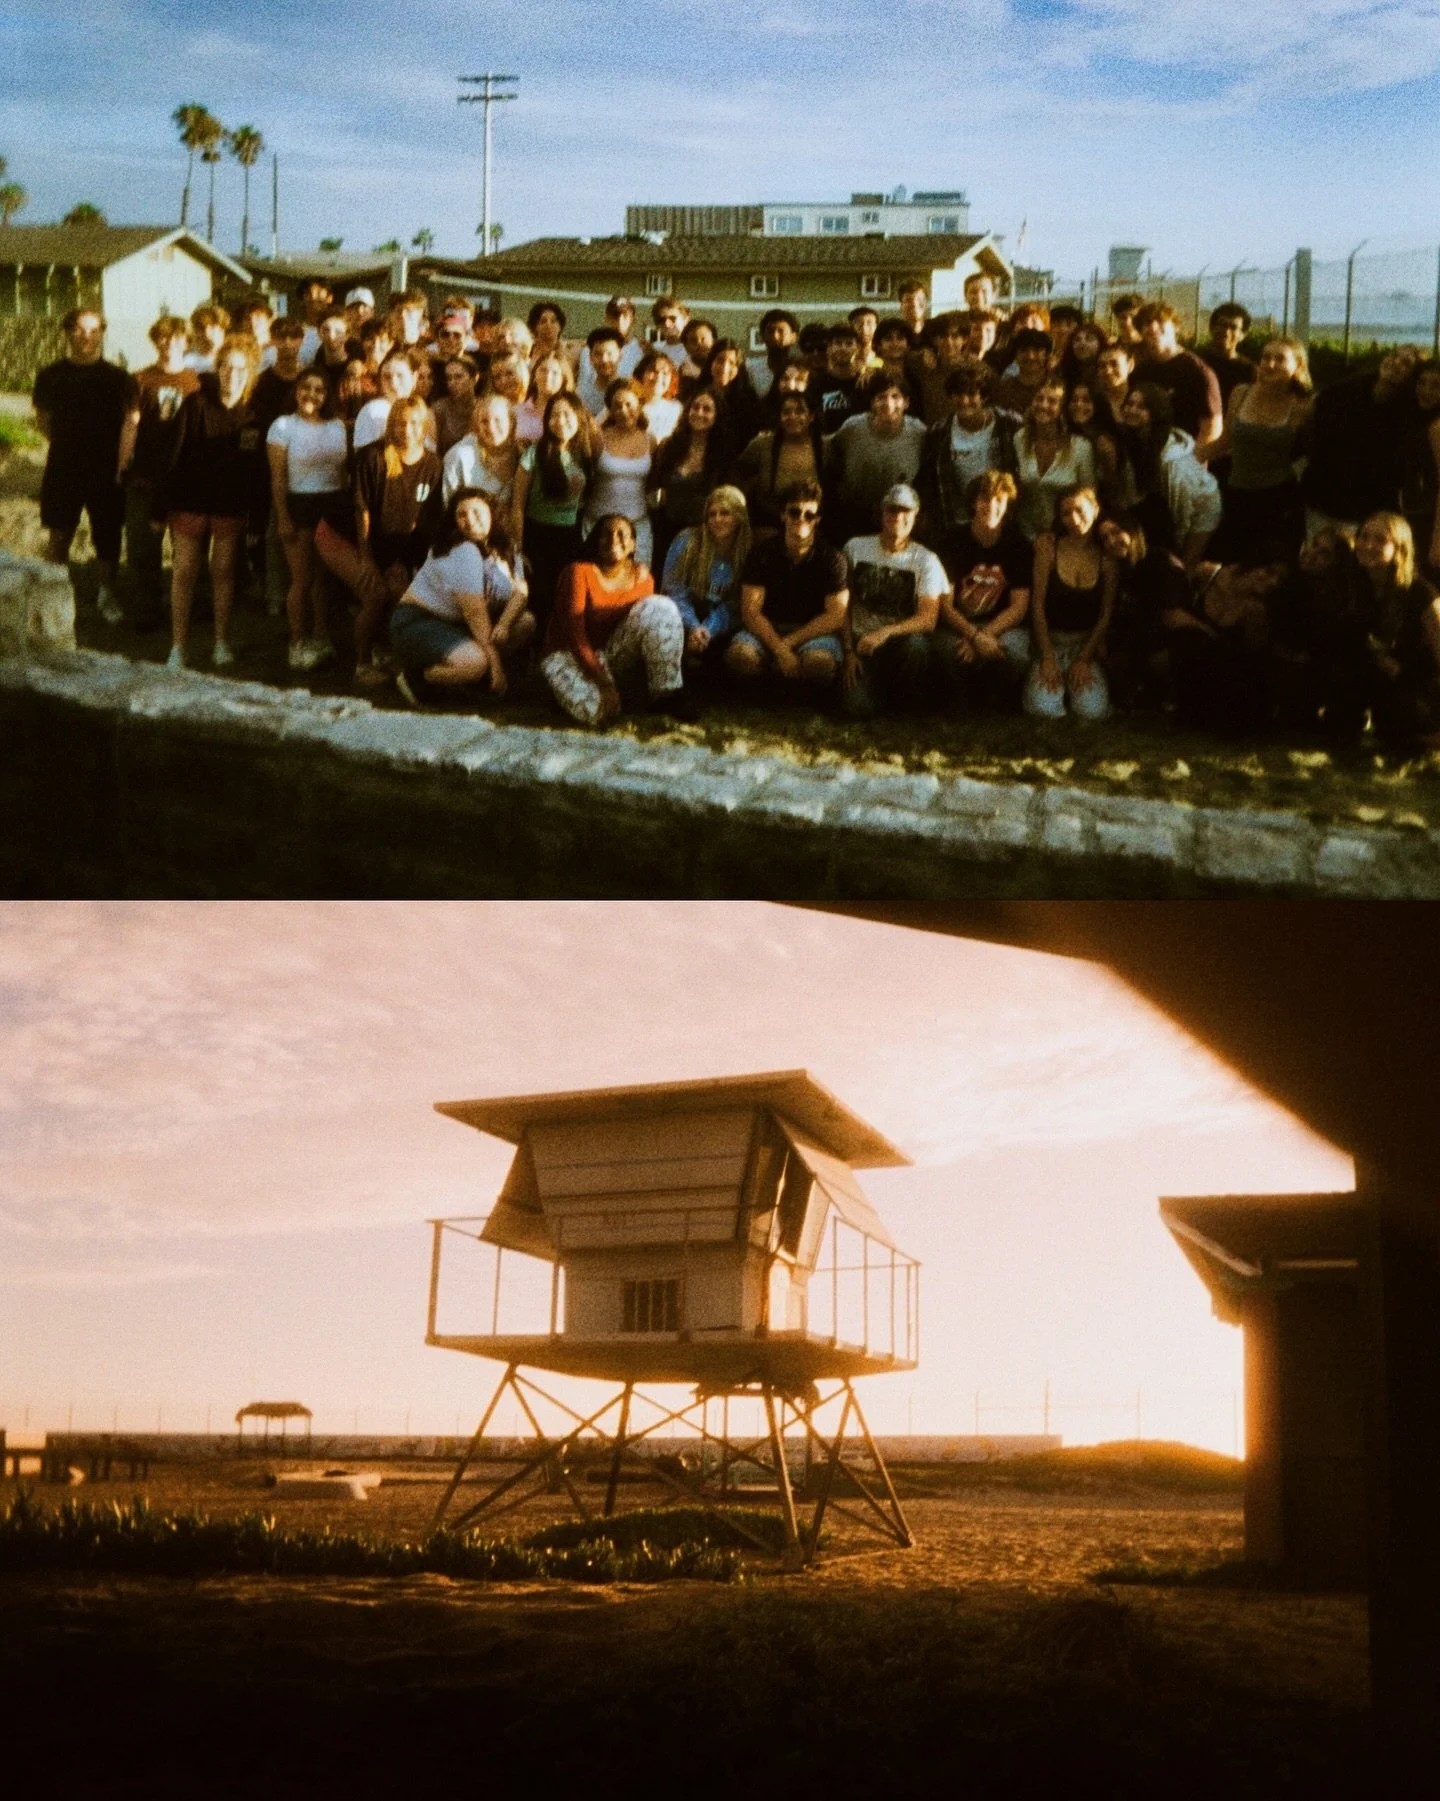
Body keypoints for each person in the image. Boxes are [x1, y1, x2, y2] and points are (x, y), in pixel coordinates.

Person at [324, 393, 443, 688]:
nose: (408, 430)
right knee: (374, 592)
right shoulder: (373, 457)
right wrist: (367, 560)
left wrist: (400, 563)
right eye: (401, 423)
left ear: (425, 425)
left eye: (415, 423)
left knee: (400, 592)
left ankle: (383, 651)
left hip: (388, 544)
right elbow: (361, 513)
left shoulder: (433, 465)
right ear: (392, 425)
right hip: (342, 535)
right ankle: (361, 665)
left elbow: (419, 524)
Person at [161, 335, 266, 670]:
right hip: (190, 502)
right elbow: (173, 457)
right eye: (225, 367)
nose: (231, 374)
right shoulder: (195, 404)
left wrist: (256, 519)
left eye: (239, 369)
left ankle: (221, 642)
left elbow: (257, 474)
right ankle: (178, 646)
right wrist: (160, 508)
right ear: (217, 368)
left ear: (249, 372)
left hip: (229, 507)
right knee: (185, 571)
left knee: (223, 573)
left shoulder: (253, 416)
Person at [32, 305, 135, 627]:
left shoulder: (118, 379)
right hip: (64, 467)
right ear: (67, 332)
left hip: (107, 470)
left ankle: (106, 594)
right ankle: (55, 599)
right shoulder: (50, 376)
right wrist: (69, 446)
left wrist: (119, 464)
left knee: (107, 536)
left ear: (102, 333)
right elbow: (43, 422)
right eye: (79, 329)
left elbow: (129, 425)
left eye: (93, 330)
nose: (86, 337)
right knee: (59, 534)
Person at [541, 514, 691, 725]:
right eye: (606, 534)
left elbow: (647, 628)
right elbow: (574, 634)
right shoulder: (578, 572)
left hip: (609, 654)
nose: (613, 540)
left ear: (632, 545)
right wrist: (602, 681)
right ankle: (562, 693)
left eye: (622, 535)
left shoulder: (642, 578)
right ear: (595, 540)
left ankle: (666, 693)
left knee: (661, 607)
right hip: (567, 654)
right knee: (600, 713)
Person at [391, 487, 532, 707]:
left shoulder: (505, 547)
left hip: (455, 623)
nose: (469, 519)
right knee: (477, 663)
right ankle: (417, 678)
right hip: (417, 622)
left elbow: (520, 592)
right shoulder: (461, 550)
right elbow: (474, 612)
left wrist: (504, 624)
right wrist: (495, 665)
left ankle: (472, 678)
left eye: (477, 511)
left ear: (492, 513)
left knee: (525, 622)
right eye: (461, 514)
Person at [1312, 512, 1440, 745]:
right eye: (1364, 537)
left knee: (1402, 733)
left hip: (1416, 683)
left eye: (1380, 540)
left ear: (1399, 548)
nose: (1368, 545)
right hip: (1374, 676)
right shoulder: (1354, 585)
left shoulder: (1421, 593)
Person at [725, 479, 849, 695]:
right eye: (794, 512)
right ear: (783, 515)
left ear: (817, 520)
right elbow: (750, 612)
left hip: (812, 634)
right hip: (767, 628)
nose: (801, 519)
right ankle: (772, 687)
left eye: (809, 515)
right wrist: (779, 648)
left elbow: (835, 615)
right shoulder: (762, 553)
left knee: (819, 665)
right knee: (740, 657)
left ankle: (788, 689)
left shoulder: (832, 559)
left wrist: (788, 644)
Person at [116, 314, 197, 631]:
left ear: (186, 342)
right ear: (155, 341)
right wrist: (122, 463)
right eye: (163, 338)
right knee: (142, 547)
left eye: (176, 338)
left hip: (183, 478)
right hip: (145, 476)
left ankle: (183, 607)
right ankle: (148, 609)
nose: (169, 344)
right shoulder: (139, 379)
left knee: (185, 550)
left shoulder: (196, 381)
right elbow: (130, 423)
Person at [266, 367, 350, 673]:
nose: (311, 395)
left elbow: (342, 475)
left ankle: (320, 637)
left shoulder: (337, 425)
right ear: (296, 390)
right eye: (306, 388)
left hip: (331, 506)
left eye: (319, 390)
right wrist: (283, 518)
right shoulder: (282, 426)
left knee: (323, 580)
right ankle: (297, 643)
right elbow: (277, 478)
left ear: (327, 395)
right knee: (301, 579)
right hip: (298, 504)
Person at [841, 484, 947, 716]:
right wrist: (848, 651)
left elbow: (928, 619)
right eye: (891, 510)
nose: (897, 516)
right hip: (860, 644)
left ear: (915, 516)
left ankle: (904, 705)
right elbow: (843, 607)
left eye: (905, 511)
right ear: (881, 512)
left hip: (898, 645)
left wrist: (885, 632)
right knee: (856, 709)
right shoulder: (855, 548)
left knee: (917, 646)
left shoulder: (927, 560)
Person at [1207, 338, 1313, 562]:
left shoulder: (1303, 406)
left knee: (1271, 567)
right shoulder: (1241, 392)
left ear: (1298, 366)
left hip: (1278, 500)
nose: (1270, 364)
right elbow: (1225, 440)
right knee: (1232, 563)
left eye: (1280, 359)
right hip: (1235, 494)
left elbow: (1311, 453)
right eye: (1266, 357)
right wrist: (1190, 461)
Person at [933, 470, 1032, 708]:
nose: (991, 506)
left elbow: (1019, 607)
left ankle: (994, 701)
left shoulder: (1018, 544)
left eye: (999, 500)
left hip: (1000, 626)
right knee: (946, 651)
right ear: (973, 503)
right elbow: (944, 606)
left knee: (1016, 652)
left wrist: (986, 635)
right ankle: (959, 702)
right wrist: (973, 636)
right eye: (984, 499)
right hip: (957, 625)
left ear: (1007, 505)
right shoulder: (952, 541)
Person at [1302, 344, 1421, 538]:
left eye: (1406, 363)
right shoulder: (1344, 392)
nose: (1396, 363)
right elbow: (1312, 429)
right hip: (1323, 501)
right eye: (1394, 355)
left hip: (1370, 513)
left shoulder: (1408, 415)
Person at [1024, 484, 1116, 720]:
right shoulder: (1048, 550)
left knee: (1092, 712)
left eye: (1080, 511)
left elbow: (1106, 613)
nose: (1074, 520)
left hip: (1084, 644)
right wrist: (1046, 657)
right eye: (1066, 513)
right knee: (1044, 709)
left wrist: (1085, 659)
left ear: (1095, 510)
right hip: (1050, 641)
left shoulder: (1106, 557)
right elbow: (1037, 606)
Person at [514, 391, 593, 640]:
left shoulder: (584, 454)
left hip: (569, 536)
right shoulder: (534, 454)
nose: (560, 420)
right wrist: (518, 550)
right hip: (538, 535)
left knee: (567, 598)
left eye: (567, 414)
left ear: (579, 417)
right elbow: (517, 505)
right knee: (539, 598)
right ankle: (532, 654)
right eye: (554, 415)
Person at [1116, 383, 1222, 566]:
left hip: (1201, 513)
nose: (1132, 410)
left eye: (1141, 407)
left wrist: (1178, 550)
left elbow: (1182, 509)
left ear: (1156, 413)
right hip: (1166, 511)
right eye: (1130, 404)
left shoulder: (1171, 460)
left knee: (1181, 569)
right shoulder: (1134, 441)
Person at [915, 365, 1020, 538]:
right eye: (958, 394)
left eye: (971, 394)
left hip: (1002, 517)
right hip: (958, 522)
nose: (964, 401)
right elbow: (931, 482)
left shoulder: (1009, 424)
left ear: (984, 397)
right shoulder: (939, 432)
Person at [823, 376, 927, 547]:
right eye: (881, 397)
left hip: (897, 519)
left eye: (895, 397)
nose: (888, 403)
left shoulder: (919, 433)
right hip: (853, 518)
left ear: (906, 402)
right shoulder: (852, 429)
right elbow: (827, 453)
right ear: (872, 403)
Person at [660, 485, 752, 669]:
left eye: (725, 513)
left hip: (723, 626)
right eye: (712, 514)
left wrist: (708, 629)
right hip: (685, 618)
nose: (717, 519)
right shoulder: (687, 542)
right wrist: (694, 626)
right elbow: (673, 590)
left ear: (739, 516)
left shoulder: (747, 551)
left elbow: (735, 605)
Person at [648, 387, 727, 572]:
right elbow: (652, 489)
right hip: (666, 535)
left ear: (717, 415)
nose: (699, 413)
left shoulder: (723, 454)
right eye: (695, 407)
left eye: (707, 409)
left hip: (705, 539)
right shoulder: (669, 447)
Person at [581, 377, 655, 566]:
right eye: (617, 406)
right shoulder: (599, 438)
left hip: (637, 527)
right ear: (610, 410)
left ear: (640, 405)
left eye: (629, 404)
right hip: (598, 527)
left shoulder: (651, 440)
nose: (623, 411)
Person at [1013, 380, 1096, 540]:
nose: (1043, 405)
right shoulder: (1020, 439)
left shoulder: (1081, 447)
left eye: (1052, 401)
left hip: (1067, 534)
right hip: (1026, 533)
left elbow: (1089, 496)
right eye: (1039, 398)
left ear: (1062, 409)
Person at [734, 387, 825, 531]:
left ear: (811, 416)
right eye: (786, 412)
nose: (792, 416)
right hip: (768, 525)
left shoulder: (824, 448)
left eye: (800, 411)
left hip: (810, 525)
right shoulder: (761, 446)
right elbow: (737, 478)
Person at [1134, 302, 1223, 449]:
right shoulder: (1141, 372)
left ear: (1176, 327)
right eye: (1147, 322)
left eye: (1161, 321)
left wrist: (1190, 463)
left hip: (1183, 455)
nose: (1153, 327)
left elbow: (1212, 428)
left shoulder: (1197, 371)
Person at [443, 391, 519, 511]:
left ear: (511, 423)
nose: (491, 427)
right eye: (484, 421)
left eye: (498, 420)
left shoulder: (521, 455)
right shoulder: (459, 456)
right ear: (476, 425)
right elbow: (449, 505)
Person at [810, 324, 867, 434]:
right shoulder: (817, 384)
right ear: (829, 348)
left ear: (858, 348)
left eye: (849, 344)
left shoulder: (866, 382)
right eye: (838, 343)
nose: (843, 348)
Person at [1200, 304, 1257, 407]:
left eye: (1233, 327)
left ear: (1242, 335)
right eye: (1222, 325)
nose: (1226, 332)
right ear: (1212, 328)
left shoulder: (1249, 371)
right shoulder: (1197, 362)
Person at [991, 329, 1055, 416]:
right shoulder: (1003, 388)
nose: (1030, 356)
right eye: (1024, 350)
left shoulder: (1055, 389)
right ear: (1015, 356)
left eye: (1037, 350)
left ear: (1046, 355)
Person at [747, 308, 800, 401]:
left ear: (794, 337)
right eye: (770, 331)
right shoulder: (751, 369)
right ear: (763, 337)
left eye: (781, 331)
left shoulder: (802, 370)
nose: (775, 336)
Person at [434, 354, 482, 456]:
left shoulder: (484, 408)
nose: (452, 383)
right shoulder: (439, 409)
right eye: (449, 378)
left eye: (458, 377)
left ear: (474, 378)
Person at [576, 325, 626, 418]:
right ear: (590, 357)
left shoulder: (629, 390)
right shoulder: (582, 393)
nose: (604, 360)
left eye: (609, 354)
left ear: (620, 355)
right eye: (598, 354)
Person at [635, 350, 683, 443]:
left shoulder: (676, 408)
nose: (659, 377)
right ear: (641, 374)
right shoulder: (627, 404)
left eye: (665, 373)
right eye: (653, 371)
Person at [184, 302, 230, 374]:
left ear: (223, 330)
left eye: (212, 327)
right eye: (201, 328)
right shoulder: (187, 364)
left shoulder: (233, 360)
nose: (207, 333)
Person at [650, 296, 691, 370]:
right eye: (661, 320)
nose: (666, 324)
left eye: (672, 318)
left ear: (686, 319)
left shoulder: (694, 350)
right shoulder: (654, 349)